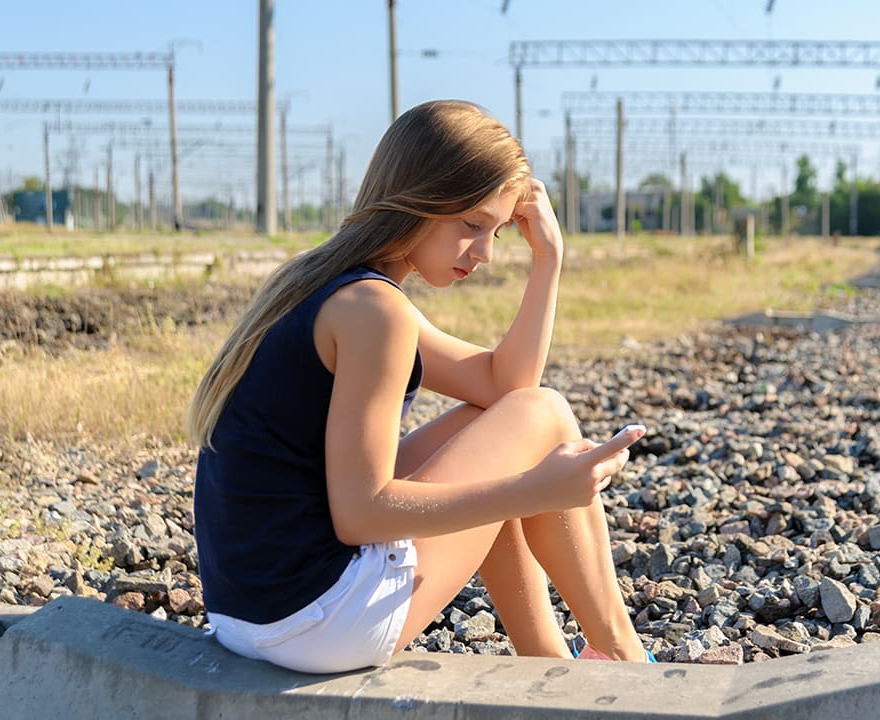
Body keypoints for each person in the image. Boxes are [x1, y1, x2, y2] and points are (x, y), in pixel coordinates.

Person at [186, 99, 650, 674]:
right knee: (545, 415)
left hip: (248, 612)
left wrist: (548, 260)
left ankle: (554, 666)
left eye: (498, 233)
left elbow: (504, 385)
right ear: (419, 200)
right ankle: (628, 660)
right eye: (471, 225)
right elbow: (361, 513)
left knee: (513, 423)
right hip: (313, 618)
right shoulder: (374, 313)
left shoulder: (336, 285)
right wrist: (535, 490)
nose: (483, 253)